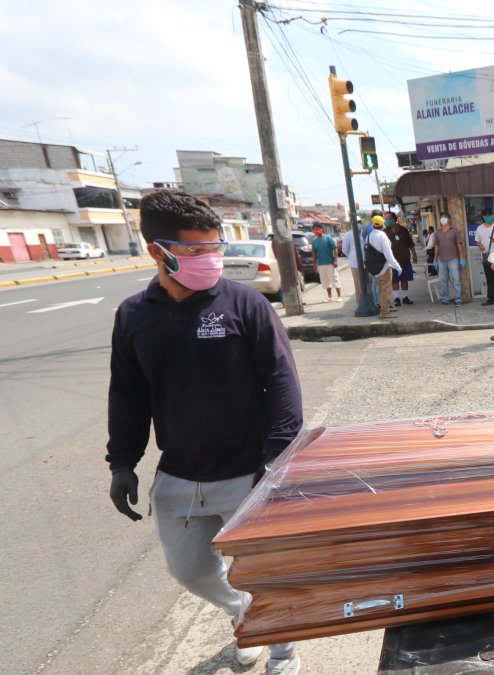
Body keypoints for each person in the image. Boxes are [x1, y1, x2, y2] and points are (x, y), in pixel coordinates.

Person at [106, 190, 302, 675]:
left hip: (248, 474)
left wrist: (278, 460)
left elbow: (280, 379)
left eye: (215, 248)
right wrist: (122, 461)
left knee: (265, 570)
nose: (210, 260)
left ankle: (282, 645)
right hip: (179, 477)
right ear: (157, 251)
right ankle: (244, 614)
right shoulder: (134, 316)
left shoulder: (244, 304)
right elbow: (128, 395)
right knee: (189, 571)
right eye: (196, 251)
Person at [364, 215, 405, 319]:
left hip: (374, 269)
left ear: (373, 224)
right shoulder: (382, 236)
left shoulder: (369, 236)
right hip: (384, 267)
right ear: (382, 224)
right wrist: (397, 266)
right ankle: (385, 312)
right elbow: (388, 255)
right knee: (385, 290)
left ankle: (383, 309)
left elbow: (367, 252)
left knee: (380, 289)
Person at [432, 211, 465, 306]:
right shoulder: (437, 233)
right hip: (441, 260)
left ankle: (458, 299)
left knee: (456, 280)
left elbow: (459, 245)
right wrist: (435, 259)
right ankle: (445, 299)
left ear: (449, 219)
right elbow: (436, 247)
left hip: (453, 259)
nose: (443, 219)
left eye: (445, 217)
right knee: (443, 280)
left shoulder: (454, 231)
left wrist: (461, 258)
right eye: (442, 217)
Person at [385, 212, 418, 306]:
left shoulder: (403, 230)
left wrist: (414, 255)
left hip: (405, 259)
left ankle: (405, 297)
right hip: (392, 262)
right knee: (394, 280)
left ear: (393, 219)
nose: (386, 221)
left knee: (404, 279)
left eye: (388, 219)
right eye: (385, 219)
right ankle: (396, 299)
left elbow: (410, 244)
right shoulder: (385, 232)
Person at [474, 209, 494, 306]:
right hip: (486, 256)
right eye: (486, 215)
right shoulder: (479, 228)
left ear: (492, 215)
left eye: (490, 215)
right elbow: (477, 240)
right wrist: (480, 246)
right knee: (490, 280)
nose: (488, 217)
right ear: (483, 217)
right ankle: (491, 299)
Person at [310, 226, 341, 302]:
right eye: (314, 230)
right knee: (325, 281)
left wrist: (335, 260)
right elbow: (314, 253)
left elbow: (335, 249)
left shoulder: (328, 238)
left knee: (334, 279)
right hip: (321, 264)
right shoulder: (314, 241)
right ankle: (330, 296)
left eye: (317, 229)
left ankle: (339, 296)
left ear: (321, 229)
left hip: (330, 263)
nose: (316, 231)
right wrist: (314, 265)